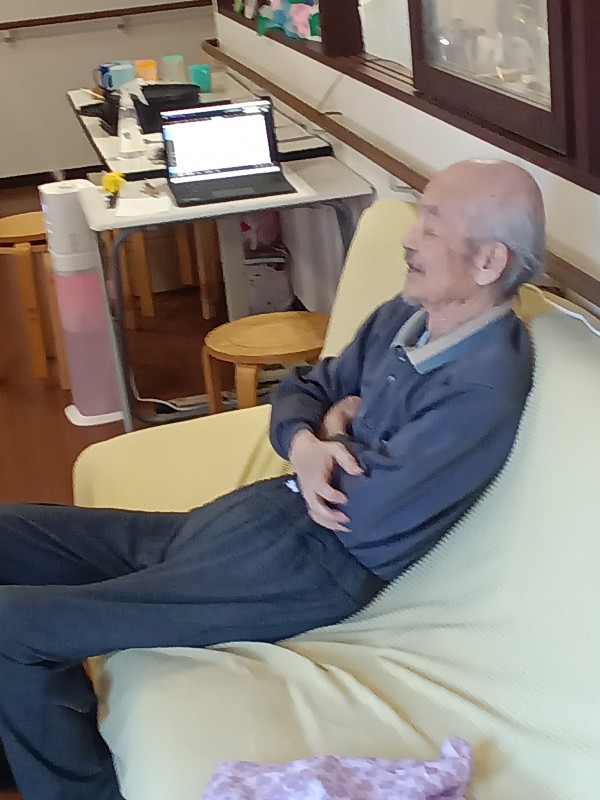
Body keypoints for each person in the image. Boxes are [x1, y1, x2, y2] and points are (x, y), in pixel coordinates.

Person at [0, 159, 545, 800]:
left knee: (14, 627)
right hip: (250, 519)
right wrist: (309, 440)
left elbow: (360, 512)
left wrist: (328, 433)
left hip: (303, 568)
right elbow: (304, 389)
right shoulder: (404, 317)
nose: (409, 238)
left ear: (488, 263)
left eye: (431, 224)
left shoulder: (483, 382)